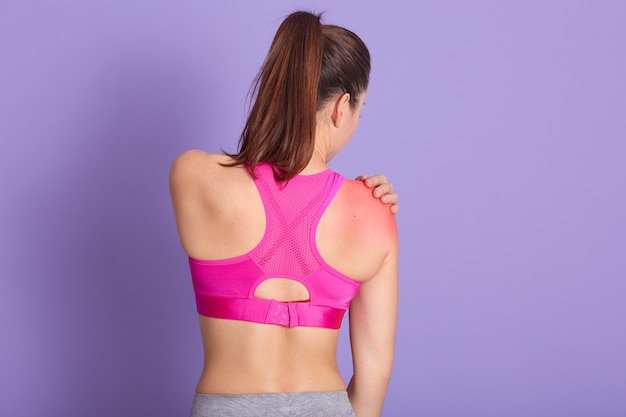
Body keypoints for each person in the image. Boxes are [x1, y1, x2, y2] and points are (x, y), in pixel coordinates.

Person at [169, 11, 398, 417]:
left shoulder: (194, 176)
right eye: (361, 109)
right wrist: (365, 201)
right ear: (341, 108)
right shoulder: (374, 213)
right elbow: (374, 373)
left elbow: (247, 164)